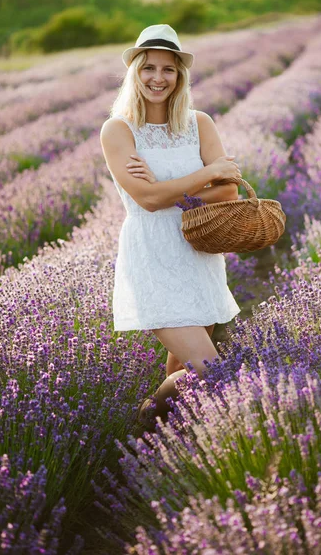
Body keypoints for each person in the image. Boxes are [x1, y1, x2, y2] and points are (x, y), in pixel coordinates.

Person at [100, 24, 242, 429]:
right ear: (134, 73)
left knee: (183, 371)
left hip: (199, 252)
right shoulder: (119, 130)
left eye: (168, 69)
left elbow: (229, 190)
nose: (158, 78)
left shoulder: (199, 123)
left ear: (180, 75)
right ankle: (147, 417)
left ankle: (165, 437)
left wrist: (170, 191)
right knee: (210, 370)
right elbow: (145, 200)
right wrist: (205, 175)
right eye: (148, 68)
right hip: (154, 258)